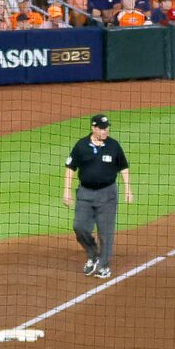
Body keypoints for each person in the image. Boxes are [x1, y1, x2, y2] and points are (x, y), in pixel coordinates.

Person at [64, 112, 131, 278]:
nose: (105, 131)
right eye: (101, 128)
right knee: (79, 227)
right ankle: (92, 254)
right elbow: (70, 168)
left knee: (105, 232)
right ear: (93, 128)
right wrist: (66, 190)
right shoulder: (81, 146)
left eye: (106, 128)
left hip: (107, 194)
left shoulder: (113, 146)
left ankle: (104, 265)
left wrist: (128, 189)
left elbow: (123, 167)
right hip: (85, 194)